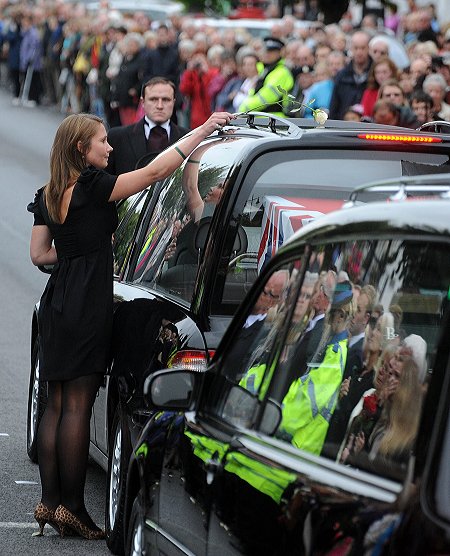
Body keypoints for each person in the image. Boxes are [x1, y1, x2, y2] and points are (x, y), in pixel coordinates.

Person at [27, 109, 234, 539]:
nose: (110, 146)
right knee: (79, 405)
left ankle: (49, 501)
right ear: (81, 148)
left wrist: (76, 255)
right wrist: (204, 130)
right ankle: (74, 509)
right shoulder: (94, 185)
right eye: (103, 141)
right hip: (88, 303)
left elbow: (40, 255)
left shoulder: (49, 193)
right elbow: (156, 170)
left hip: (58, 300)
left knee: (56, 401)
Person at [106, 77, 189, 174]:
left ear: (173, 102)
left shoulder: (188, 138)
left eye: (166, 100)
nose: (159, 106)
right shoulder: (117, 138)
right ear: (143, 102)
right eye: (153, 99)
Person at [238, 37, 294, 117]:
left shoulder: (282, 72)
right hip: (262, 119)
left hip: (276, 121)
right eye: (265, 50)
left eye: (271, 51)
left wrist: (243, 108)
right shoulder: (264, 69)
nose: (267, 54)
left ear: (280, 53)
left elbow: (264, 98)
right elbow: (252, 92)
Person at [329, 31, 372, 120]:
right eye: (356, 48)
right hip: (345, 126)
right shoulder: (341, 75)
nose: (359, 52)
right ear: (351, 49)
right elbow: (334, 106)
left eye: (362, 48)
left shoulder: (375, 73)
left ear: (368, 48)